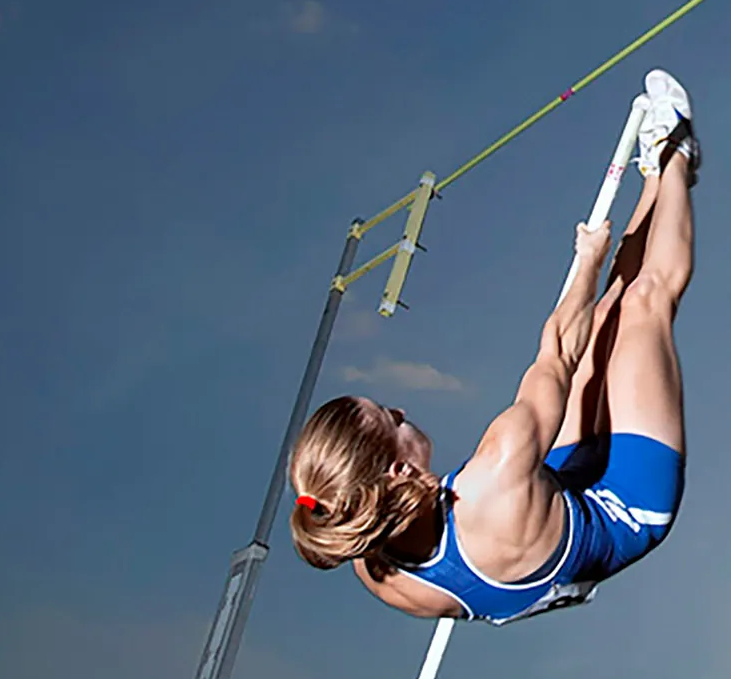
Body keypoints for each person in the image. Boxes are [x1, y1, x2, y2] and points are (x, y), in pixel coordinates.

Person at [284, 68, 700, 623]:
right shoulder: (497, 467)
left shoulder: (372, 563)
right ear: (396, 473)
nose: (403, 410)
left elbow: (485, 599)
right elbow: (557, 351)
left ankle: (651, 177)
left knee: (603, 325)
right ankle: (676, 154)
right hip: (624, 510)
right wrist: (588, 261)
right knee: (641, 306)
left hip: (548, 508)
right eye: (392, 417)